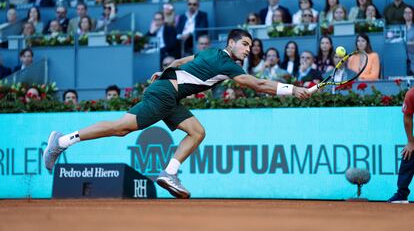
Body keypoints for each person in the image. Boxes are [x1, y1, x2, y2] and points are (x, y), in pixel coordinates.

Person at [43, 29, 311, 199]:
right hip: (164, 95)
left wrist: (164, 72)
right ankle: (62, 142)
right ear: (231, 43)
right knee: (121, 127)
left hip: (169, 94)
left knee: (197, 132)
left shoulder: (211, 52)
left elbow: (184, 61)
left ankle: (169, 173)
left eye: (250, 46)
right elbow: (259, 84)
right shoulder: (226, 63)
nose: (247, 49)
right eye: (243, 43)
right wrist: (294, 88)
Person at [388, 87, 414, 203]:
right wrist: (410, 142)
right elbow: (407, 117)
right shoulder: (411, 94)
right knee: (408, 154)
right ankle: (402, 194)